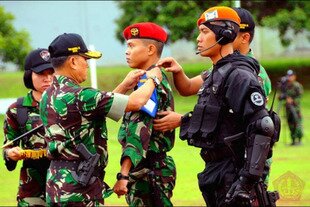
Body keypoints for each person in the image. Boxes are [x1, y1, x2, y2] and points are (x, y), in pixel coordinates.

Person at [155, 6, 277, 206]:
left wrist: (245, 183)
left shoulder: (240, 75)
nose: (198, 38)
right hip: (216, 172)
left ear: (225, 34)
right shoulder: (217, 72)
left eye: (204, 32)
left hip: (235, 173)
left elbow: (263, 126)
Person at [39, 33, 162, 206]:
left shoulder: (47, 95)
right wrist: (154, 78)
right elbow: (137, 102)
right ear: (73, 61)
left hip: (56, 183)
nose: (87, 65)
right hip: (81, 186)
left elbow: (96, 109)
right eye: (85, 60)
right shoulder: (82, 95)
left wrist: (125, 85)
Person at [113, 22, 176, 206]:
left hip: (149, 171)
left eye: (131, 46)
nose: (127, 51)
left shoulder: (148, 86)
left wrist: (123, 175)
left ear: (150, 49)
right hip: (149, 168)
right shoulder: (149, 80)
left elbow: (138, 131)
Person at [2, 48, 54, 206]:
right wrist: (10, 153)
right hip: (32, 189)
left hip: (67, 184)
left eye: (51, 73)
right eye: (41, 74)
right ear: (29, 76)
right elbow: (8, 146)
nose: (48, 79)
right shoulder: (17, 109)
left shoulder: (69, 103)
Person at [233, 7, 274, 187]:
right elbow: (189, 87)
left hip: (248, 160)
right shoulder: (225, 68)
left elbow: (257, 125)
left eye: (228, 32)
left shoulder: (253, 76)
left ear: (245, 37)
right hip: (230, 160)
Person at [279, 69, 303, 145]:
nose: (289, 78)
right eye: (288, 76)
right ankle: (292, 140)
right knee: (290, 124)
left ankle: (299, 140)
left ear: (294, 76)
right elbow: (282, 96)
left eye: (291, 76)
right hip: (287, 108)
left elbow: (299, 97)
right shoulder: (285, 86)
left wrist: (292, 100)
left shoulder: (297, 86)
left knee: (297, 123)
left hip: (295, 109)